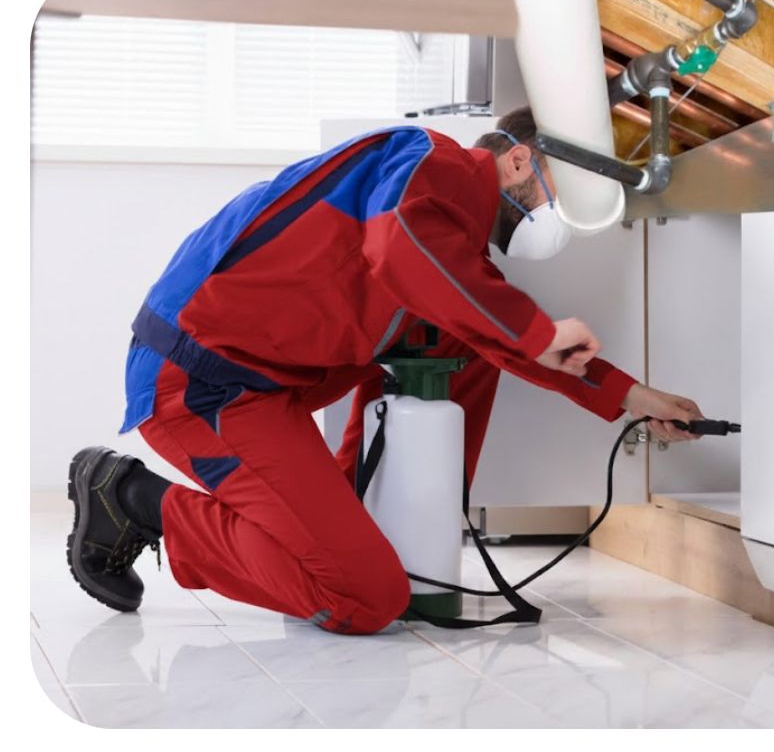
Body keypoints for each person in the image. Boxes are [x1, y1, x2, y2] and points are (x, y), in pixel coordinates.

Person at [66, 107, 704, 635]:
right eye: (570, 199)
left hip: (266, 385)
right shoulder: (432, 162)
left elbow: (503, 340)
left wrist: (635, 398)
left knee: (466, 352)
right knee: (365, 598)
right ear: (517, 161)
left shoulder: (450, 248)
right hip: (198, 384)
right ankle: (131, 498)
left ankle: (350, 524)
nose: (568, 223)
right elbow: (402, 240)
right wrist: (534, 330)